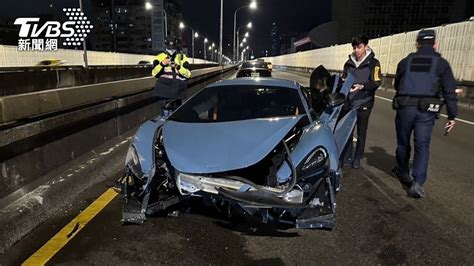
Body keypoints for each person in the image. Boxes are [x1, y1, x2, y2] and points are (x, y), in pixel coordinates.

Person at [392, 29, 457, 198]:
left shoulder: (406, 62)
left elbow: (397, 84)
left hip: (405, 107)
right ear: (435, 44)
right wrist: (452, 116)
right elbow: (449, 91)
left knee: (403, 143)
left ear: (417, 43)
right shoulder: (441, 64)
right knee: (422, 145)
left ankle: (403, 172)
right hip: (427, 111)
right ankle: (418, 182)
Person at [342, 34, 382, 169]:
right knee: (347, 132)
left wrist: (362, 86)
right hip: (349, 103)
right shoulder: (348, 63)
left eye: (359, 47)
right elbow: (344, 79)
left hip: (365, 102)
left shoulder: (373, 63)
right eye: (354, 47)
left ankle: (357, 158)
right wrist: (343, 82)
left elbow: (376, 82)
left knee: (361, 133)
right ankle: (347, 157)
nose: (356, 50)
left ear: (366, 46)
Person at [151, 35, 192, 115]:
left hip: (177, 93)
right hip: (164, 92)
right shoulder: (159, 57)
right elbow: (154, 73)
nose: (171, 49)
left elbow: (188, 74)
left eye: (173, 47)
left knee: (177, 117)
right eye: (169, 47)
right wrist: (162, 64)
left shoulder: (182, 57)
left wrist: (178, 67)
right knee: (166, 117)